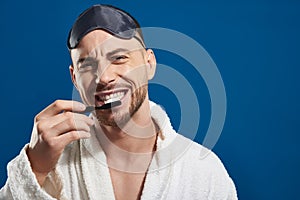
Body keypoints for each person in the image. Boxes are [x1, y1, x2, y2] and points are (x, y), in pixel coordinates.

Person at [0, 4, 237, 200]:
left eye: (119, 58)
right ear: (74, 78)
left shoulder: (203, 171)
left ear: (149, 63)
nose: (104, 77)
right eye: (87, 65)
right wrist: (37, 169)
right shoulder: (52, 166)